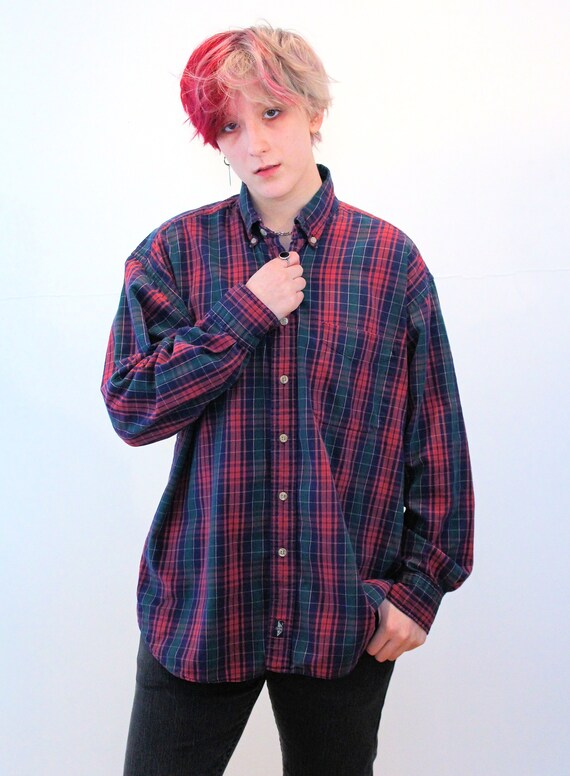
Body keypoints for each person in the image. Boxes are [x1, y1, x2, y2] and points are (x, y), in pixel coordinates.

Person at [101, 24, 474, 776]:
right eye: (230, 127)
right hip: (206, 604)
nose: (255, 143)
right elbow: (132, 406)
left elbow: (435, 438)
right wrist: (245, 312)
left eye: (271, 113)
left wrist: (419, 589)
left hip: (342, 609)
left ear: (313, 111)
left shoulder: (390, 263)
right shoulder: (175, 254)